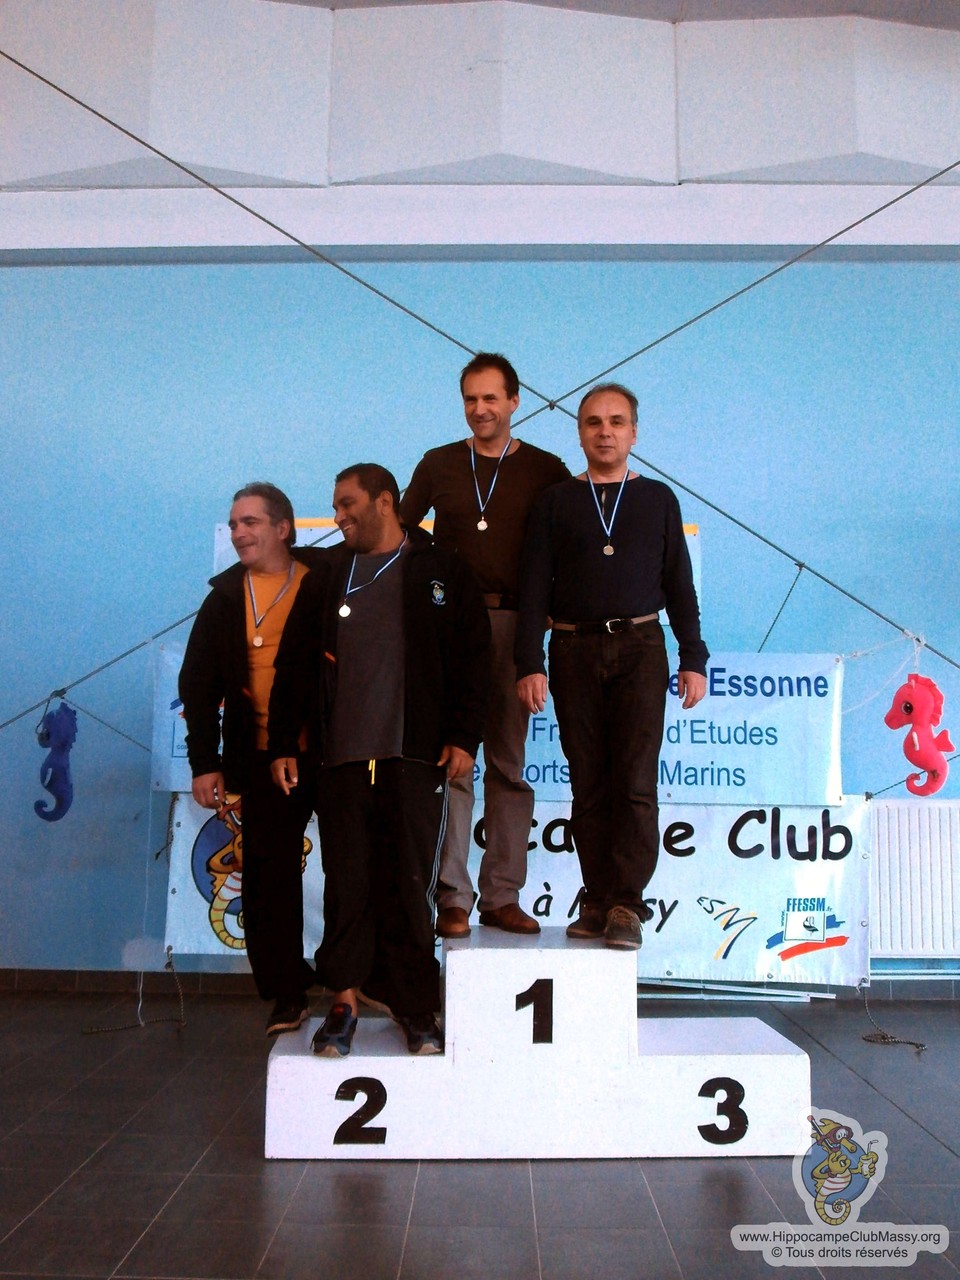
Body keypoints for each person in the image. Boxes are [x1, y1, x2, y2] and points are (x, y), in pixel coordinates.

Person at [270, 463, 490, 1057]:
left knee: (411, 885)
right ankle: (342, 1002)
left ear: (385, 502)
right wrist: (285, 743)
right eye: (336, 506)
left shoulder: (441, 568)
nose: (338, 516)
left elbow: (474, 660)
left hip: (415, 756)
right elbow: (294, 663)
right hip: (340, 759)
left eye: (348, 504)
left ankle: (415, 1007)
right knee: (345, 884)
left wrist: (464, 736)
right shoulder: (327, 575)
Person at [515, 384, 708, 950]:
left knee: (635, 781)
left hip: (641, 647)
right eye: (594, 422)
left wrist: (693, 657)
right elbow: (533, 588)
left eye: (617, 422)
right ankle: (597, 898)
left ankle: (627, 904)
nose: (605, 431)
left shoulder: (658, 499)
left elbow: (680, 585)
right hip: (572, 649)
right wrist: (528, 661)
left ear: (633, 433)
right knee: (589, 782)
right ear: (579, 433)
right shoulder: (555, 502)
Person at [400, 353, 570, 939]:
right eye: (471, 399)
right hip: (448, 627)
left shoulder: (546, 469)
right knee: (451, 762)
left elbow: (567, 545)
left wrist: (550, 612)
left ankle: (501, 895)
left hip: (514, 625)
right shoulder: (439, 463)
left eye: (491, 398)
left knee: (508, 766)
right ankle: (452, 897)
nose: (480, 409)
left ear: (514, 402)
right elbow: (400, 532)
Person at [179, 482, 323, 1035]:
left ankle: (355, 982)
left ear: (283, 528)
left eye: (251, 522)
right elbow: (197, 685)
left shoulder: (325, 582)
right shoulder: (223, 599)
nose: (239, 532)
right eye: (235, 523)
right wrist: (204, 762)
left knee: (357, 870)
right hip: (259, 761)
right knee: (266, 879)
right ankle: (286, 993)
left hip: (329, 753)